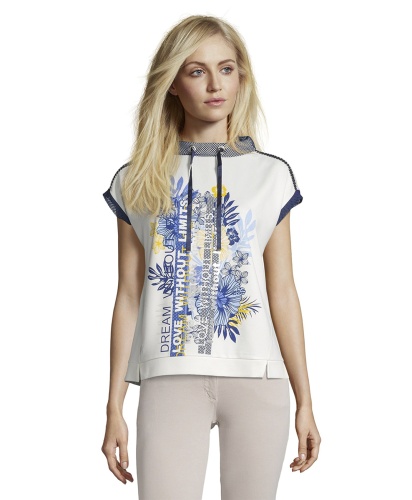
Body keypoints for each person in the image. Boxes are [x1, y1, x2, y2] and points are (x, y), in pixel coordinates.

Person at [101, 14, 321, 500]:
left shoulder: (270, 176)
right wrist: (114, 405)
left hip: (259, 378)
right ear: (172, 83)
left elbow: (283, 291)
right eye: (196, 71)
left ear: (241, 77)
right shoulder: (136, 180)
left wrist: (306, 399)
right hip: (170, 376)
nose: (215, 85)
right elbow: (129, 295)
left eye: (226, 68)